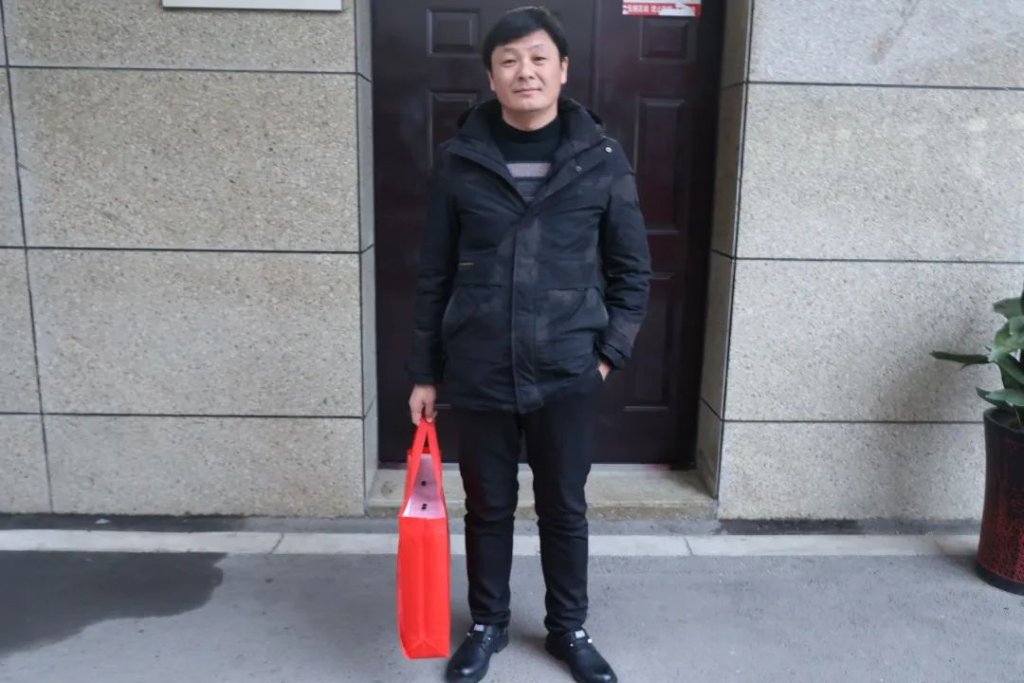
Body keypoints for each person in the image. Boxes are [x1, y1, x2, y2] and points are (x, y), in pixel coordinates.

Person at [406, 6, 651, 683]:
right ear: (491, 76)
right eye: (509, 60)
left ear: (563, 70)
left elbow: (633, 271)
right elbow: (433, 272)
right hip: (479, 366)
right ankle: (487, 624)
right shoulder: (459, 161)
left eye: (539, 58)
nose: (526, 71)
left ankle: (569, 627)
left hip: (568, 368)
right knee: (488, 506)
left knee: (563, 508)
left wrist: (608, 355)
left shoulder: (602, 159)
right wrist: (425, 370)